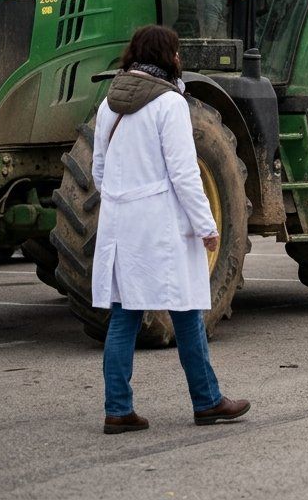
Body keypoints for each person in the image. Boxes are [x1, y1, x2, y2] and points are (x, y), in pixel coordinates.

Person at [92, 26, 248, 434]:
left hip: (120, 223)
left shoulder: (110, 105)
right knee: (186, 311)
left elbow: (98, 171)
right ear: (169, 56)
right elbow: (184, 173)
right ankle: (208, 401)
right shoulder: (170, 103)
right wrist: (206, 225)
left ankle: (118, 409)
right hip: (160, 225)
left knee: (124, 316)